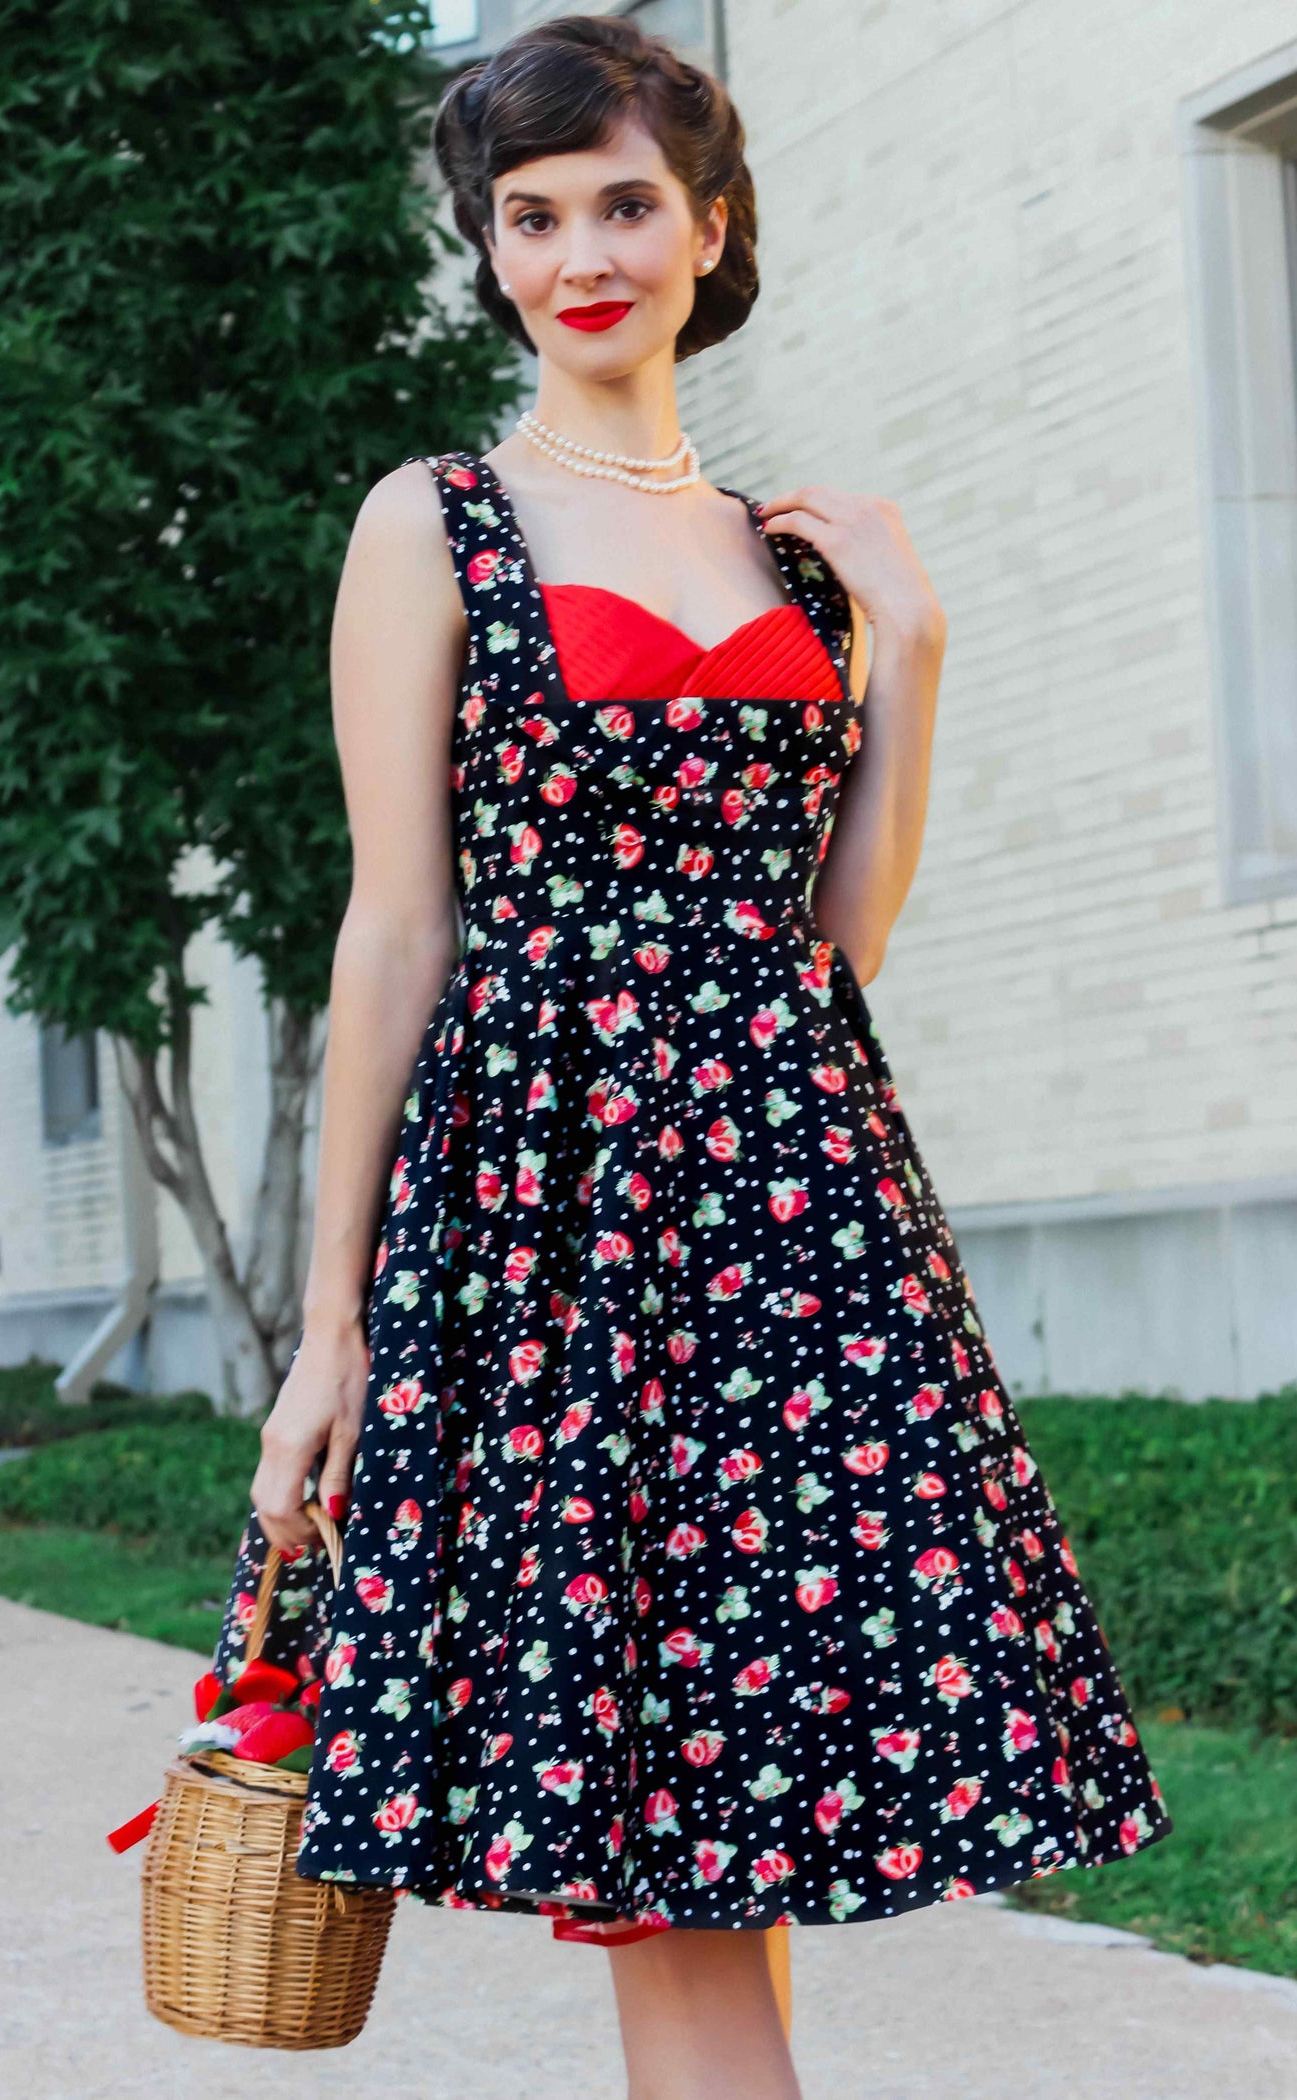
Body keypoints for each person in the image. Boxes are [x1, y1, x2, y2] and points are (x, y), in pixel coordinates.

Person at [243, 15, 1171, 2097]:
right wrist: (331, 1330)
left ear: (707, 226)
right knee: (665, 1841)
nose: (584, 253)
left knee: (729, 1824)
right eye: (532, 215)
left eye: (626, 206)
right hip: (550, 1207)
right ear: (487, 251)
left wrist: (908, 659)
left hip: (788, 1209)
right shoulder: (436, 522)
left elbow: (831, 943)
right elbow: (396, 928)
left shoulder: (793, 552)